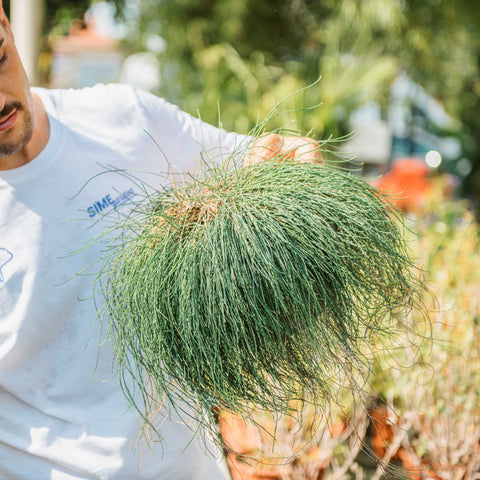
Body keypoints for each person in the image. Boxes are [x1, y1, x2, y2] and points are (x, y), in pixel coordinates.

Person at [0, 3, 319, 479]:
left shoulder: (122, 120)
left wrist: (291, 163)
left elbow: (255, 162)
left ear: (6, 25)